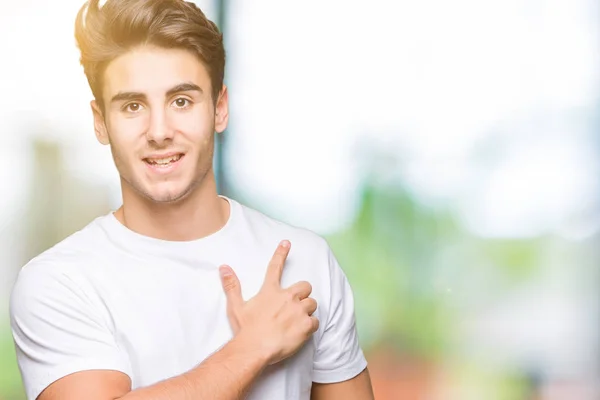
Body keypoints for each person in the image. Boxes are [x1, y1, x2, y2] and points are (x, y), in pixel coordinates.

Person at [9, 0, 375, 399]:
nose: (159, 130)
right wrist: (250, 348)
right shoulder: (59, 282)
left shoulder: (307, 263)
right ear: (101, 122)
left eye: (181, 101)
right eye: (133, 106)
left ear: (219, 109)